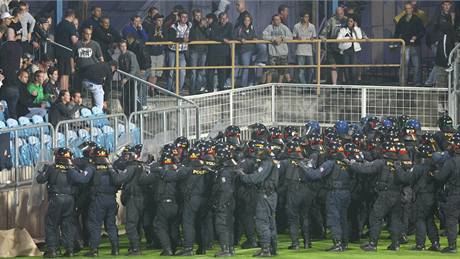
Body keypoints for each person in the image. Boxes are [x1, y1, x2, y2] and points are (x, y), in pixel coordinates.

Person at [349, 142, 412, 251]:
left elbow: (366, 170)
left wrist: (352, 164)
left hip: (385, 195)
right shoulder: (399, 163)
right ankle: (395, 244)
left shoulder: (381, 163)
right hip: (398, 195)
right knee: (395, 220)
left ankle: (373, 244)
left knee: (375, 217)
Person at [36, 148, 93, 258]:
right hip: (70, 199)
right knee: (67, 224)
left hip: (56, 198)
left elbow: (40, 179)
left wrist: (41, 171)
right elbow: (80, 182)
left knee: (51, 224)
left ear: (57, 156)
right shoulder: (73, 168)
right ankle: (70, 249)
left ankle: (53, 250)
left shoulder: (51, 167)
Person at [238, 140, 280, 257]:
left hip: (265, 194)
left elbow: (256, 178)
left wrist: (243, 176)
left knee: (262, 221)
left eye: (259, 150)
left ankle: (266, 249)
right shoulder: (271, 161)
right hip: (271, 194)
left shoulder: (267, 162)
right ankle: (272, 248)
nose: (257, 153)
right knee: (271, 222)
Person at [84, 147, 123, 257]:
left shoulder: (92, 168)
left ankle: (94, 250)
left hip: (98, 200)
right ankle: (115, 249)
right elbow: (118, 181)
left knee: (95, 225)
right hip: (111, 199)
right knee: (111, 225)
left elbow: (83, 180)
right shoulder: (112, 168)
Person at [175, 148, 214, 256]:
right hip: (205, 200)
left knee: (188, 223)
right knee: (201, 224)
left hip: (192, 200)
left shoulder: (186, 169)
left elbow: (175, 177)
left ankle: (188, 248)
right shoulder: (208, 169)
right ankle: (202, 247)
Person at [434, 133, 460, 253]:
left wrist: (434, 173)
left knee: (452, 220)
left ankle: (452, 246)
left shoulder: (451, 161)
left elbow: (441, 177)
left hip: (455, 193)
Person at [394, 2, 425, 86]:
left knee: (416, 65)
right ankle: (403, 83)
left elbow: (422, 31)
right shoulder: (402, 20)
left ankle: (417, 82)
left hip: (415, 45)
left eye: (409, 8)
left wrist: (416, 37)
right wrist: (395, 42)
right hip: (404, 45)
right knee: (404, 65)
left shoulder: (417, 19)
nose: (408, 10)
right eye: (406, 8)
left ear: (412, 9)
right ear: (405, 10)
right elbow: (396, 32)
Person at [425, 1, 454, 87]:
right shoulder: (438, 16)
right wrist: (435, 41)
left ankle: (430, 81)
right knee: (439, 64)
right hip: (439, 43)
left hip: (445, 43)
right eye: (445, 5)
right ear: (442, 6)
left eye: (448, 5)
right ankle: (431, 82)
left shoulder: (450, 16)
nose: (447, 6)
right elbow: (432, 29)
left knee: (439, 64)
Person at [319, 6, 347, 85]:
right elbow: (323, 33)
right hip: (332, 46)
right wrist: (323, 38)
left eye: (341, 13)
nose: (339, 15)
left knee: (343, 66)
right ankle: (334, 84)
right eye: (338, 14)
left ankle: (342, 83)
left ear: (343, 13)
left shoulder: (346, 20)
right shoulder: (331, 20)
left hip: (344, 47)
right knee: (333, 66)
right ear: (335, 13)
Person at [166, 10, 191, 94]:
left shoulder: (189, 25)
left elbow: (192, 35)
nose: (185, 19)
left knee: (182, 72)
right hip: (172, 51)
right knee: (171, 71)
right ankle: (169, 90)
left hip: (182, 52)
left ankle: (178, 90)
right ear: (180, 17)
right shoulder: (174, 26)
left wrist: (189, 40)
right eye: (183, 17)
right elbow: (171, 38)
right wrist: (182, 39)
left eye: (186, 17)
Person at [262, 14, 293, 84]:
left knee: (282, 71)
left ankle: (279, 86)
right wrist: (274, 39)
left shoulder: (284, 27)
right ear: (273, 21)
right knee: (270, 70)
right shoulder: (269, 27)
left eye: (278, 19)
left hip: (283, 53)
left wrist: (282, 38)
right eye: (275, 20)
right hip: (273, 53)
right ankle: (268, 86)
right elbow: (264, 36)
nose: (277, 21)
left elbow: (291, 37)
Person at [207, 12, 232, 92]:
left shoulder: (230, 25)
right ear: (219, 19)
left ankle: (221, 88)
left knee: (222, 72)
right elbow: (213, 36)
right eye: (222, 18)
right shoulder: (215, 24)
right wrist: (223, 39)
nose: (223, 20)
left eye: (225, 18)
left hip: (224, 53)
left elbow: (231, 36)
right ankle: (210, 89)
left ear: (227, 19)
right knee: (211, 71)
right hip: (213, 52)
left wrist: (221, 38)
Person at [337, 16, 367, 85]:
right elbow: (338, 39)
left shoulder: (357, 29)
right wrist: (347, 39)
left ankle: (354, 85)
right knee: (346, 69)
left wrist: (356, 28)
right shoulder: (343, 30)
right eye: (348, 21)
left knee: (353, 69)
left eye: (351, 21)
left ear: (354, 22)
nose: (350, 23)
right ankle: (348, 85)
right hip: (346, 51)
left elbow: (359, 37)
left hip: (354, 51)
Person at [55, 9, 78, 90]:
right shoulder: (70, 25)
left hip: (58, 52)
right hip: (67, 52)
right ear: (72, 16)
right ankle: (65, 91)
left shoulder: (59, 25)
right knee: (66, 73)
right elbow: (74, 40)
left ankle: (62, 91)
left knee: (61, 73)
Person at [118, 40, 141, 116]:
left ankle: (138, 113)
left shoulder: (131, 55)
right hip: (127, 80)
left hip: (134, 79)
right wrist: (122, 80)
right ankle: (128, 114)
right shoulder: (120, 57)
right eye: (122, 46)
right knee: (125, 97)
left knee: (133, 98)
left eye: (125, 46)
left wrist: (126, 78)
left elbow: (133, 69)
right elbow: (121, 70)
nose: (123, 48)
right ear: (119, 47)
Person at [233, 14, 256, 88]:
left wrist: (255, 38)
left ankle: (261, 61)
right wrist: (240, 39)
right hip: (243, 50)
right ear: (243, 21)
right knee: (245, 68)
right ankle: (243, 86)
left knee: (250, 67)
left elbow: (254, 36)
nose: (247, 22)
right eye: (245, 20)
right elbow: (233, 36)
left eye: (248, 20)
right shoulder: (239, 28)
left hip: (251, 50)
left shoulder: (252, 29)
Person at [189, 10, 208, 95]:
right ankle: (192, 90)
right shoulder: (191, 25)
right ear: (193, 16)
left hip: (203, 51)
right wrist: (200, 25)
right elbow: (192, 36)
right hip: (194, 51)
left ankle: (198, 89)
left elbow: (208, 35)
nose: (198, 17)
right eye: (196, 16)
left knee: (201, 71)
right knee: (193, 71)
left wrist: (205, 26)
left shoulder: (204, 26)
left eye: (199, 16)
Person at [293, 12, 316, 84]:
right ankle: (304, 86)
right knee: (301, 70)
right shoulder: (296, 26)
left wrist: (313, 39)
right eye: (305, 17)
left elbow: (314, 36)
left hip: (309, 50)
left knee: (311, 69)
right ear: (301, 17)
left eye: (308, 17)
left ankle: (309, 85)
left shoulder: (312, 26)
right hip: (300, 50)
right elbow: (293, 37)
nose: (306, 19)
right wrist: (297, 38)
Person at [146, 14, 165, 86]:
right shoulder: (150, 28)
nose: (161, 22)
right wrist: (155, 35)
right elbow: (148, 39)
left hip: (160, 53)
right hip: (152, 54)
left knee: (158, 73)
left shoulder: (164, 29)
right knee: (152, 73)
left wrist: (162, 36)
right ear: (155, 21)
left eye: (162, 21)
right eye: (159, 20)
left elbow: (166, 39)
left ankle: (152, 88)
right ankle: (151, 88)